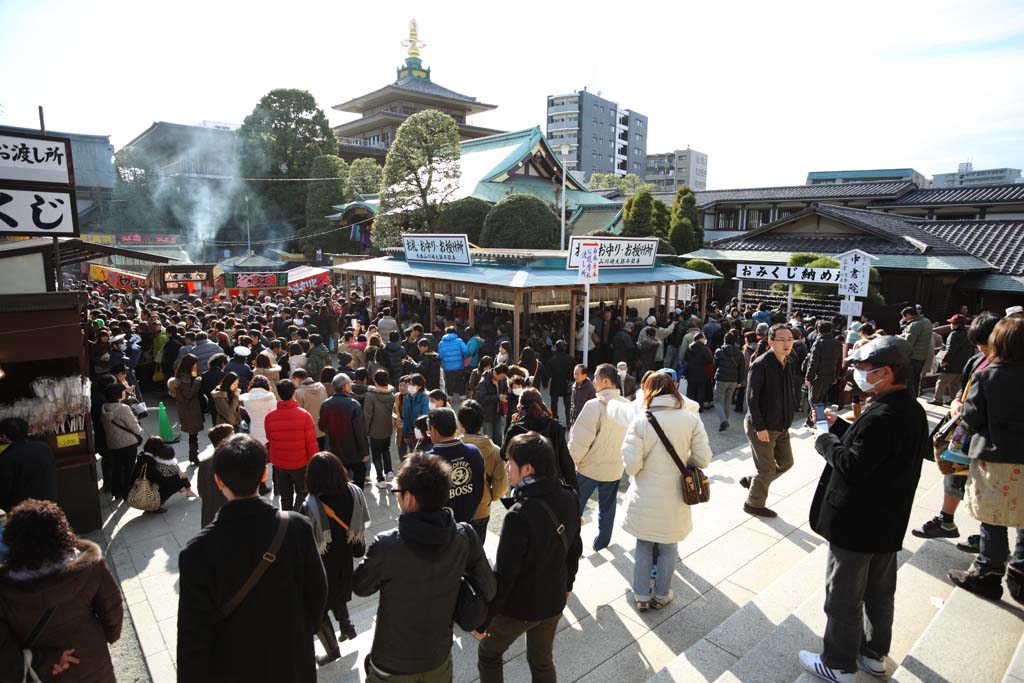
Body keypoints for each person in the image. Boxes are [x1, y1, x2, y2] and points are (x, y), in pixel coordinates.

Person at [798, 335, 927, 683]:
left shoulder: (882, 415)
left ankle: (838, 663)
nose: (858, 374)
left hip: (856, 523)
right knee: (880, 594)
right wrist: (841, 427)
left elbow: (854, 465)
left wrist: (825, 441)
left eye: (864, 369)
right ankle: (874, 654)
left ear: (885, 373)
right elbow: (876, 451)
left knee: (843, 596)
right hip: (888, 521)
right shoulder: (910, 409)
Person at [177, 434, 327, 683]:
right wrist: (300, 632)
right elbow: (317, 591)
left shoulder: (196, 552)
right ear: (264, 475)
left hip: (233, 666)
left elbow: (192, 637)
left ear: (218, 481)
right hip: (291, 659)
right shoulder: (296, 527)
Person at [353, 453, 496, 683]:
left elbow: (361, 586)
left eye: (397, 492)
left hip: (391, 663)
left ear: (409, 498)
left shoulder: (387, 544)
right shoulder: (464, 535)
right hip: (438, 658)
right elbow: (489, 587)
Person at [474, 432, 583, 683]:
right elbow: (575, 548)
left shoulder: (518, 515)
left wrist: (485, 620)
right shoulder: (569, 496)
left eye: (510, 461)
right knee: (542, 660)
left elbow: (504, 576)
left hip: (521, 607)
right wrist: (567, 586)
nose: (506, 467)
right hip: (554, 600)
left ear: (528, 469)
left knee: (489, 653)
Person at [0, 499, 122, 682]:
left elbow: (4, 652)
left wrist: (45, 662)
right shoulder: (89, 567)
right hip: (91, 655)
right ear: (61, 531)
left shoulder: (6, 589)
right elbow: (112, 607)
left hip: (46, 673)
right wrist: (109, 635)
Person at [621, 372, 713, 610]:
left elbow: (631, 465)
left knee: (643, 544)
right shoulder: (691, 419)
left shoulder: (641, 420)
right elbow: (703, 459)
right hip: (676, 496)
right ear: (674, 391)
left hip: (645, 493)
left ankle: (641, 595)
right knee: (669, 545)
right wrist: (683, 463)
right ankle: (661, 595)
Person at [948, 316, 1024, 602]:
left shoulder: (988, 375)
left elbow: (971, 419)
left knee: (993, 519)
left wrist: (958, 406)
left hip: (997, 458)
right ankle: (1020, 575)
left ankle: (988, 573)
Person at [912, 313, 998, 550]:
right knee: (954, 473)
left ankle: (988, 535)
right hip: (963, 431)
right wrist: (957, 401)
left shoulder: (1007, 366)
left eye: (984, 342)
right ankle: (946, 520)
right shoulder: (977, 359)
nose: (981, 347)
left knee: (986, 486)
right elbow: (964, 387)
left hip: (987, 436)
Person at [302, 452, 368, 665]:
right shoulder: (354, 492)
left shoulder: (310, 505)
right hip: (345, 559)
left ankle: (332, 652)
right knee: (339, 593)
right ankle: (347, 628)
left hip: (321, 564)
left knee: (319, 608)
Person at [568, 362, 634, 551]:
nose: (593, 380)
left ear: (605, 380)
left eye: (596, 377)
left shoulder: (594, 406)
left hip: (589, 467)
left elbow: (580, 441)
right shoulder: (628, 406)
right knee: (608, 506)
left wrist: (570, 463)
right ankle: (602, 544)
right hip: (614, 467)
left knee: (575, 507)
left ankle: (571, 544)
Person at [741, 323, 796, 518]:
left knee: (787, 462)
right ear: (771, 341)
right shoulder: (761, 364)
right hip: (763, 425)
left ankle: (753, 481)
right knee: (766, 468)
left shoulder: (787, 362)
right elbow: (752, 398)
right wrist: (759, 426)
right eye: (781, 339)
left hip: (781, 424)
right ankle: (753, 504)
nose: (787, 343)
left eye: (790, 339)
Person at [503, 388, 579, 493]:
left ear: (520, 407)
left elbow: (503, 454)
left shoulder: (515, 430)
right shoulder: (554, 426)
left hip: (524, 485)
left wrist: (512, 425)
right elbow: (566, 461)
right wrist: (574, 490)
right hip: (551, 484)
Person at [458, 400, 508, 543]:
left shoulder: (453, 449)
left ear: (460, 424)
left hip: (458, 507)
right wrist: (490, 497)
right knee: (477, 551)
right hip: (481, 509)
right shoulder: (496, 452)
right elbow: (501, 487)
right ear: (481, 422)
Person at [265, 380, 319, 511]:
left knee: (285, 495)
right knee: (302, 493)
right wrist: (314, 461)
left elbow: (269, 438)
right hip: (300, 462)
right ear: (294, 393)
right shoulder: (304, 415)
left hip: (279, 462)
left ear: (278, 394)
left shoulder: (270, 417)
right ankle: (297, 516)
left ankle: (287, 519)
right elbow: (311, 442)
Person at [426, 407, 485, 524]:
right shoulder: (474, 451)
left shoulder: (427, 461)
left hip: (441, 527)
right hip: (469, 521)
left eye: (428, 429)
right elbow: (479, 486)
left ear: (433, 429)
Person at [319, 373, 371, 487]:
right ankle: (357, 496)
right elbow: (360, 431)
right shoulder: (354, 405)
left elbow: (322, 427)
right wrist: (365, 451)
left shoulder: (325, 404)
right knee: (359, 474)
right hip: (353, 450)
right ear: (345, 386)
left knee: (340, 477)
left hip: (334, 448)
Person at [0, 417, 57, 512]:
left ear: (4, 436)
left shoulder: (7, 457)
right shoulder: (44, 448)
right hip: (50, 505)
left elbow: (3, 490)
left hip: (24, 512)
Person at [101, 382, 144, 501]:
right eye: (123, 391)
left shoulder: (104, 407)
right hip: (127, 443)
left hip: (113, 443)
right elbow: (133, 425)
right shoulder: (123, 408)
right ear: (118, 394)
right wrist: (140, 432)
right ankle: (128, 492)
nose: (125, 393)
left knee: (117, 468)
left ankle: (117, 491)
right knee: (129, 468)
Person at [131, 436, 197, 512]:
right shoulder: (149, 462)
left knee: (177, 477)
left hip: (139, 487)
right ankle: (154, 505)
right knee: (180, 479)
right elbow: (161, 480)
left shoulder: (143, 455)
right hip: (145, 491)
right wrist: (177, 477)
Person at [168, 353, 205, 464]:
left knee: (193, 435)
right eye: (194, 364)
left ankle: (193, 455)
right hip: (190, 410)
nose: (196, 366)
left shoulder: (182, 376)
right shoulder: (185, 378)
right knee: (193, 434)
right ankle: (193, 456)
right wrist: (197, 382)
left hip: (188, 409)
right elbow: (188, 394)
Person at [196, 423, 236, 528]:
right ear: (225, 440)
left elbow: (201, 490)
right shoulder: (234, 462)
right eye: (233, 434)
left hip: (209, 516)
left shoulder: (205, 463)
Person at [804, 321, 844, 422]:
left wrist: (808, 377)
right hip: (830, 376)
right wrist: (836, 376)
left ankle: (820, 421)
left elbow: (813, 362)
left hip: (818, 376)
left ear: (818, 330)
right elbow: (839, 362)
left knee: (813, 400)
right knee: (821, 399)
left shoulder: (818, 343)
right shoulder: (837, 343)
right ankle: (812, 421)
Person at [363, 369, 397, 486]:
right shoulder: (392, 395)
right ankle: (389, 472)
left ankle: (380, 478)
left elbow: (368, 415)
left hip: (374, 430)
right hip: (387, 429)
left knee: (376, 455)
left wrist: (365, 430)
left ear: (374, 380)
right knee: (386, 450)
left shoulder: (370, 395)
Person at [932, 313, 974, 406]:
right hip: (963, 365)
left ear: (956, 324)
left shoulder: (954, 334)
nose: (951, 325)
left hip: (952, 364)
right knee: (955, 384)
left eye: (952, 323)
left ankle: (937, 399)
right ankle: (953, 399)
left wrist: (944, 361)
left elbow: (950, 350)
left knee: (941, 381)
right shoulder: (968, 334)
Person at [712, 330, 746, 432]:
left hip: (721, 378)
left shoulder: (719, 351)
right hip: (734, 380)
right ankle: (725, 420)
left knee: (717, 401)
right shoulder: (740, 353)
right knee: (728, 401)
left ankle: (723, 421)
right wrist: (740, 381)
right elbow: (742, 368)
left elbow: (715, 366)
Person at [899, 306, 933, 398]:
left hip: (913, 356)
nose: (904, 319)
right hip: (922, 355)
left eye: (904, 316)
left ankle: (909, 399)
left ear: (909, 315)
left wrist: (900, 338)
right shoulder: (927, 321)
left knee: (909, 379)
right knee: (916, 378)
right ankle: (915, 397)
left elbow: (908, 343)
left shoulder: (914, 325)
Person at [292, 369, 328, 450]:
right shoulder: (321, 387)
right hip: (322, 427)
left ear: (297, 379)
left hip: (308, 430)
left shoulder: (299, 392)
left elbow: (299, 414)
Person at [476, 364, 509, 445]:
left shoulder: (502, 380)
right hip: (487, 414)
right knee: (488, 438)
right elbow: (481, 398)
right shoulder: (484, 382)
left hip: (498, 412)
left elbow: (504, 390)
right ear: (494, 373)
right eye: (501, 376)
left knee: (498, 436)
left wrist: (505, 396)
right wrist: (498, 398)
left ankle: (498, 455)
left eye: (503, 377)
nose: (502, 378)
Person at [240, 375, 277, 445]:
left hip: (253, 428)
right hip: (268, 429)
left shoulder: (246, 398)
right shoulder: (269, 396)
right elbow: (274, 413)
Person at [437, 326, 469, 399]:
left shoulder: (441, 343)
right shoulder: (459, 340)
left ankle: (450, 398)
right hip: (459, 365)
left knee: (449, 382)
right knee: (460, 382)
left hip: (447, 367)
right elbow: (466, 350)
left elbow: (440, 355)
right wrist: (463, 357)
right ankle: (462, 398)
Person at [683, 332, 713, 408]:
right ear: (700, 339)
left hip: (690, 371)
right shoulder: (704, 348)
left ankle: (688, 406)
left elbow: (685, 358)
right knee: (700, 391)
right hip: (701, 371)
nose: (705, 339)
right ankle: (699, 407)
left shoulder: (689, 347)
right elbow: (709, 360)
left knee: (690, 390)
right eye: (704, 338)